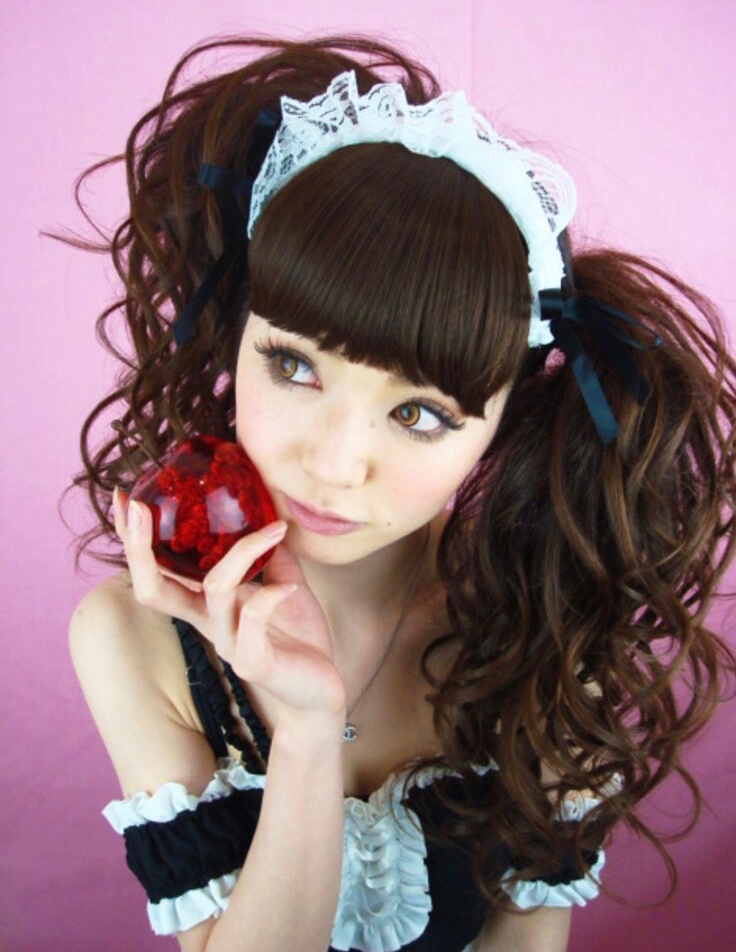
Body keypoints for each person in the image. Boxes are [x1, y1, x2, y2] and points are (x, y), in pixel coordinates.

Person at [68, 34, 736, 952]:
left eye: (419, 414)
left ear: (500, 424)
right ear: (236, 338)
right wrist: (306, 735)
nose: (336, 464)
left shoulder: (539, 633)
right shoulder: (135, 637)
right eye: (293, 365)